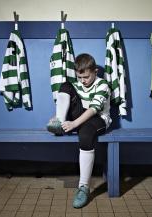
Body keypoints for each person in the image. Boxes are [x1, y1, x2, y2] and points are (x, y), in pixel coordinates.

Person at [47, 53, 112, 208]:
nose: (83, 81)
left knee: (85, 135)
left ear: (95, 71)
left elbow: (93, 109)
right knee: (65, 86)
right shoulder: (77, 83)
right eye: (79, 77)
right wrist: (58, 116)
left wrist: (74, 124)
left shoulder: (103, 85)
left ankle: (84, 187)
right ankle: (59, 122)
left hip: (98, 118)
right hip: (80, 116)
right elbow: (70, 102)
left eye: (86, 77)